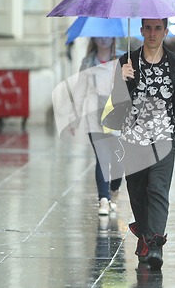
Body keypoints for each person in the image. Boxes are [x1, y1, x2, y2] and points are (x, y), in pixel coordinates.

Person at [102, 18, 175, 270]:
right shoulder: (127, 61)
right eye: (148, 28)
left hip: (164, 137)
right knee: (137, 192)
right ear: (141, 30)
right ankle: (146, 237)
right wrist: (122, 80)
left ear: (165, 31)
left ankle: (155, 244)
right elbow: (116, 102)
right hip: (133, 138)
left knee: (158, 189)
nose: (152, 33)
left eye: (158, 28)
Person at [70, 37, 124, 216]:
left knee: (118, 161)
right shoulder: (88, 62)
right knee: (102, 157)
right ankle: (103, 198)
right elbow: (79, 91)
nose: (103, 39)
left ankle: (114, 190)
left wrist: (126, 76)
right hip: (94, 115)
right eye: (99, 35)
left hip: (116, 115)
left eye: (107, 35)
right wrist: (74, 117)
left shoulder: (123, 60)